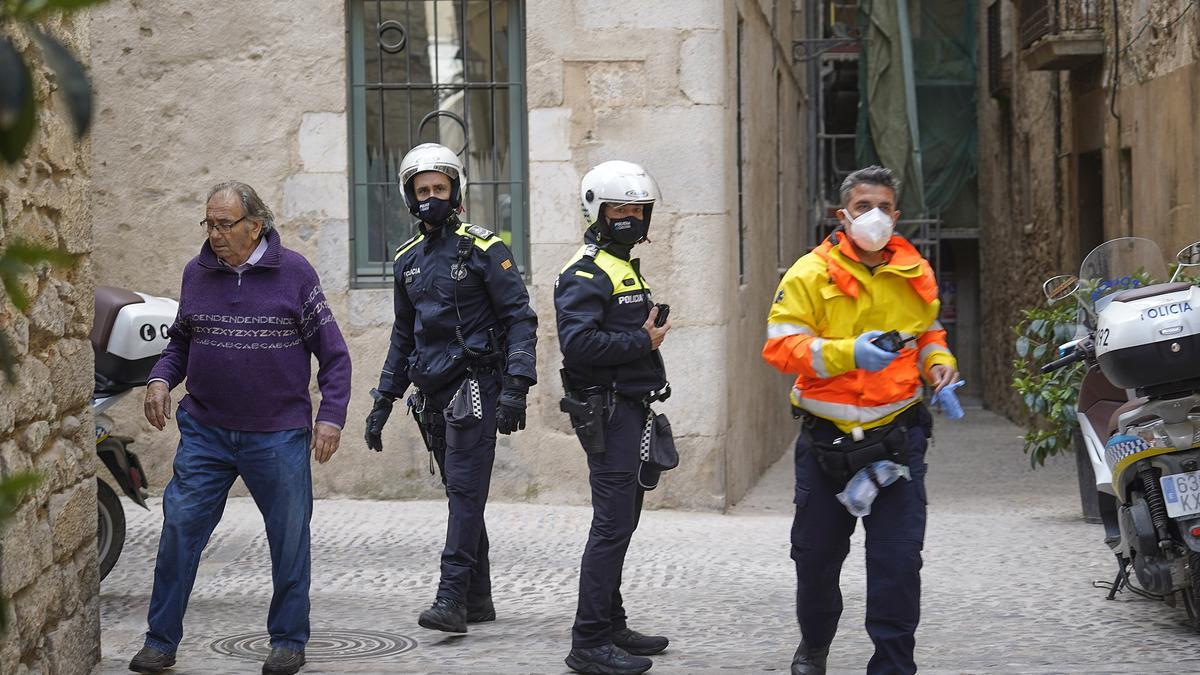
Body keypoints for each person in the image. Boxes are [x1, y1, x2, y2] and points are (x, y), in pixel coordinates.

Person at [129, 182, 351, 675]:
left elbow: (334, 355)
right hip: (206, 431)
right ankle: (160, 641)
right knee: (180, 532)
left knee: (289, 539)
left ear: (256, 225)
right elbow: (180, 344)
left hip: (277, 434)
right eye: (208, 223)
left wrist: (330, 417)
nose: (215, 234)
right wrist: (161, 380)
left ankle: (289, 641)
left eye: (225, 224)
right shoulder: (197, 273)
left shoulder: (294, 273)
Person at [761, 166, 959, 675]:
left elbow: (929, 335)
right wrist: (848, 352)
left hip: (897, 442)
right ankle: (815, 643)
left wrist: (939, 367)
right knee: (815, 560)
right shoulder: (810, 273)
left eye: (885, 207)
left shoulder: (916, 271)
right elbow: (781, 347)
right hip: (826, 447)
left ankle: (893, 666)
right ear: (842, 214)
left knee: (897, 564)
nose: (875, 216)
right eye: (864, 206)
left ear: (898, 214)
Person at [363, 142, 537, 634]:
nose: (431, 196)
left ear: (456, 191)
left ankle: (452, 598)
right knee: (461, 492)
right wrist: (383, 400)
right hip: (430, 392)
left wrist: (516, 388)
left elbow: (521, 320)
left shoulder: (486, 248)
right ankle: (479, 599)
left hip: (476, 385)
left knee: (463, 491)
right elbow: (403, 335)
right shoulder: (406, 260)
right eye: (423, 190)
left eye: (440, 188)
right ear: (409, 197)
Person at [555, 160, 673, 675]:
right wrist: (641, 340)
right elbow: (577, 345)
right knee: (610, 525)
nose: (629, 216)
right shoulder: (584, 270)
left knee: (624, 522)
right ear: (598, 211)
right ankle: (588, 642)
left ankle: (612, 622)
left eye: (637, 209)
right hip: (607, 411)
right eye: (619, 208)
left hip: (631, 407)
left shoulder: (621, 264)